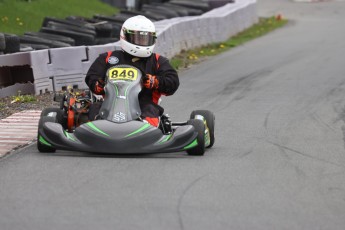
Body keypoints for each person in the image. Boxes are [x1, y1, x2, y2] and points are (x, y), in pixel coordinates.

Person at [85, 15, 179, 127]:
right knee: (94, 108)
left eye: (145, 39)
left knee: (150, 109)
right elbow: (92, 76)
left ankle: (144, 129)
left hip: (143, 104)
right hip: (110, 105)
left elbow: (172, 81)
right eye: (138, 39)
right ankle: (97, 128)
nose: (142, 43)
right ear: (125, 36)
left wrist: (156, 81)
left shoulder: (157, 61)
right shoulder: (108, 58)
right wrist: (98, 85)